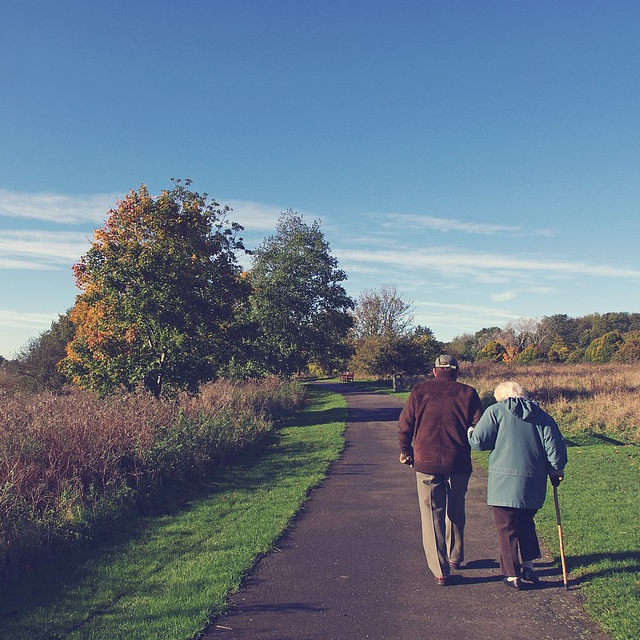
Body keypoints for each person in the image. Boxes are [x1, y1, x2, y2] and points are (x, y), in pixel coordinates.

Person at [468, 381, 567, 591]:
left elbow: (478, 442)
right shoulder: (541, 415)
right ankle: (528, 566)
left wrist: (470, 431)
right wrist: (557, 469)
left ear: (501, 398)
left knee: (507, 527)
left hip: (504, 482)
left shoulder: (495, 411)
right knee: (526, 522)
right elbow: (554, 449)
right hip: (533, 481)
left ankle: (512, 574)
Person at [398, 355, 483, 586]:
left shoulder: (419, 390)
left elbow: (405, 424)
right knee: (456, 508)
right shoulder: (468, 393)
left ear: (435, 371)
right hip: (458, 462)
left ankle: (440, 570)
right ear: (456, 372)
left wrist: (406, 451)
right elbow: (479, 427)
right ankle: (455, 556)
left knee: (431, 515)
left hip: (426, 462)